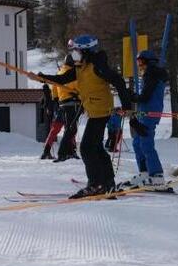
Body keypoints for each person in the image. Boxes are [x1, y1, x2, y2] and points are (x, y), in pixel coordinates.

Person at [36, 35, 132, 199]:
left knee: (86, 148)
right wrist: (42, 77)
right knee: (96, 148)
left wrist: (126, 106)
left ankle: (95, 185)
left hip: (101, 110)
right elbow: (63, 79)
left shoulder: (97, 65)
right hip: (94, 110)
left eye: (76, 51)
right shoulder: (82, 66)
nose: (73, 54)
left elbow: (119, 82)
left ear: (85, 51)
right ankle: (108, 183)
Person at [122, 50, 169, 189]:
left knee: (146, 143)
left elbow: (145, 97)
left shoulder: (152, 74)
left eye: (141, 62)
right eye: (138, 62)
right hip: (144, 112)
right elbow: (143, 98)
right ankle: (145, 173)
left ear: (150, 61)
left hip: (150, 113)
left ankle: (157, 176)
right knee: (137, 142)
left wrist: (131, 95)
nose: (139, 65)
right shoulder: (148, 74)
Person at [52, 53, 81, 163]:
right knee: (71, 129)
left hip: (63, 103)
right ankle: (63, 153)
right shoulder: (71, 73)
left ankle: (69, 151)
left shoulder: (60, 72)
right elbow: (77, 86)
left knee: (69, 128)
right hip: (72, 103)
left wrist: (56, 99)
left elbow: (54, 87)